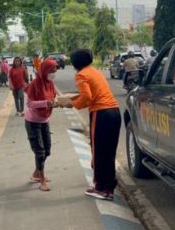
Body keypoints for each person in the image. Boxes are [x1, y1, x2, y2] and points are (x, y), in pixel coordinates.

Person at [62, 49, 121, 200]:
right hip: (114, 112)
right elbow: (90, 93)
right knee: (109, 152)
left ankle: (101, 188)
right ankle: (108, 186)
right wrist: (73, 98)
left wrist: (71, 104)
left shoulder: (81, 75)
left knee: (99, 152)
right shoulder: (94, 71)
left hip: (101, 114)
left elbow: (87, 98)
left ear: (75, 63)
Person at [24, 58, 59, 192]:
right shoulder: (34, 84)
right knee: (40, 152)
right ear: (44, 71)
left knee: (47, 150)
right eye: (51, 71)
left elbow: (54, 97)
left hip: (45, 120)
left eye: (55, 71)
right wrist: (46, 103)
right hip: (32, 122)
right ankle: (42, 180)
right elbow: (30, 104)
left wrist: (55, 102)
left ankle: (36, 174)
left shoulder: (50, 83)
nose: (53, 74)